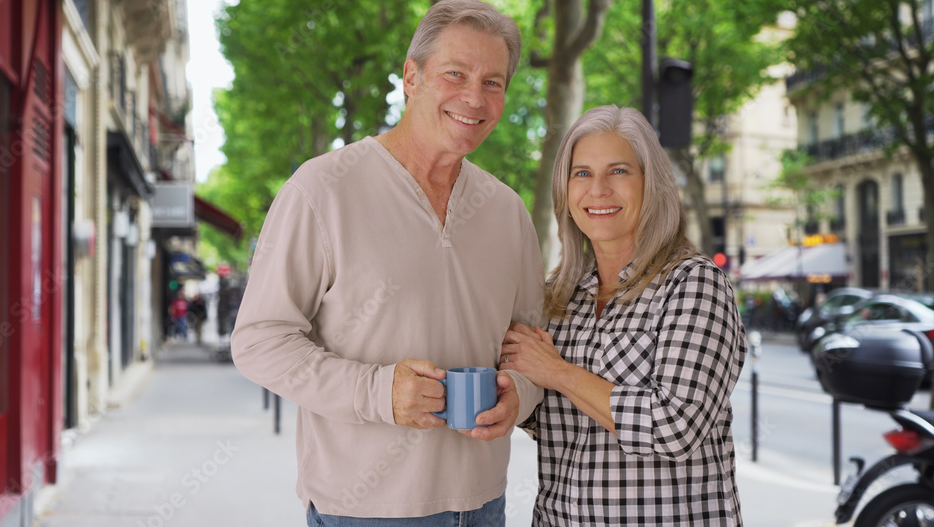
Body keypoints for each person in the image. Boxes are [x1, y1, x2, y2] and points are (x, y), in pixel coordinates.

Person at [230, 2, 545, 525]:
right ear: (412, 78)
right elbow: (259, 341)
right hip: (363, 510)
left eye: (493, 82)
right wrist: (378, 392)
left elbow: (531, 342)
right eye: (455, 74)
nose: (475, 97)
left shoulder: (507, 211)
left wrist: (522, 396)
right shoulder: (321, 189)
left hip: (485, 503)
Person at [500, 105, 746, 526]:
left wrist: (557, 372)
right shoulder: (561, 296)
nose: (598, 190)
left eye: (618, 171)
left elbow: (675, 427)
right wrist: (510, 397)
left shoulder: (694, 285)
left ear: (652, 184)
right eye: (582, 173)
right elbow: (550, 416)